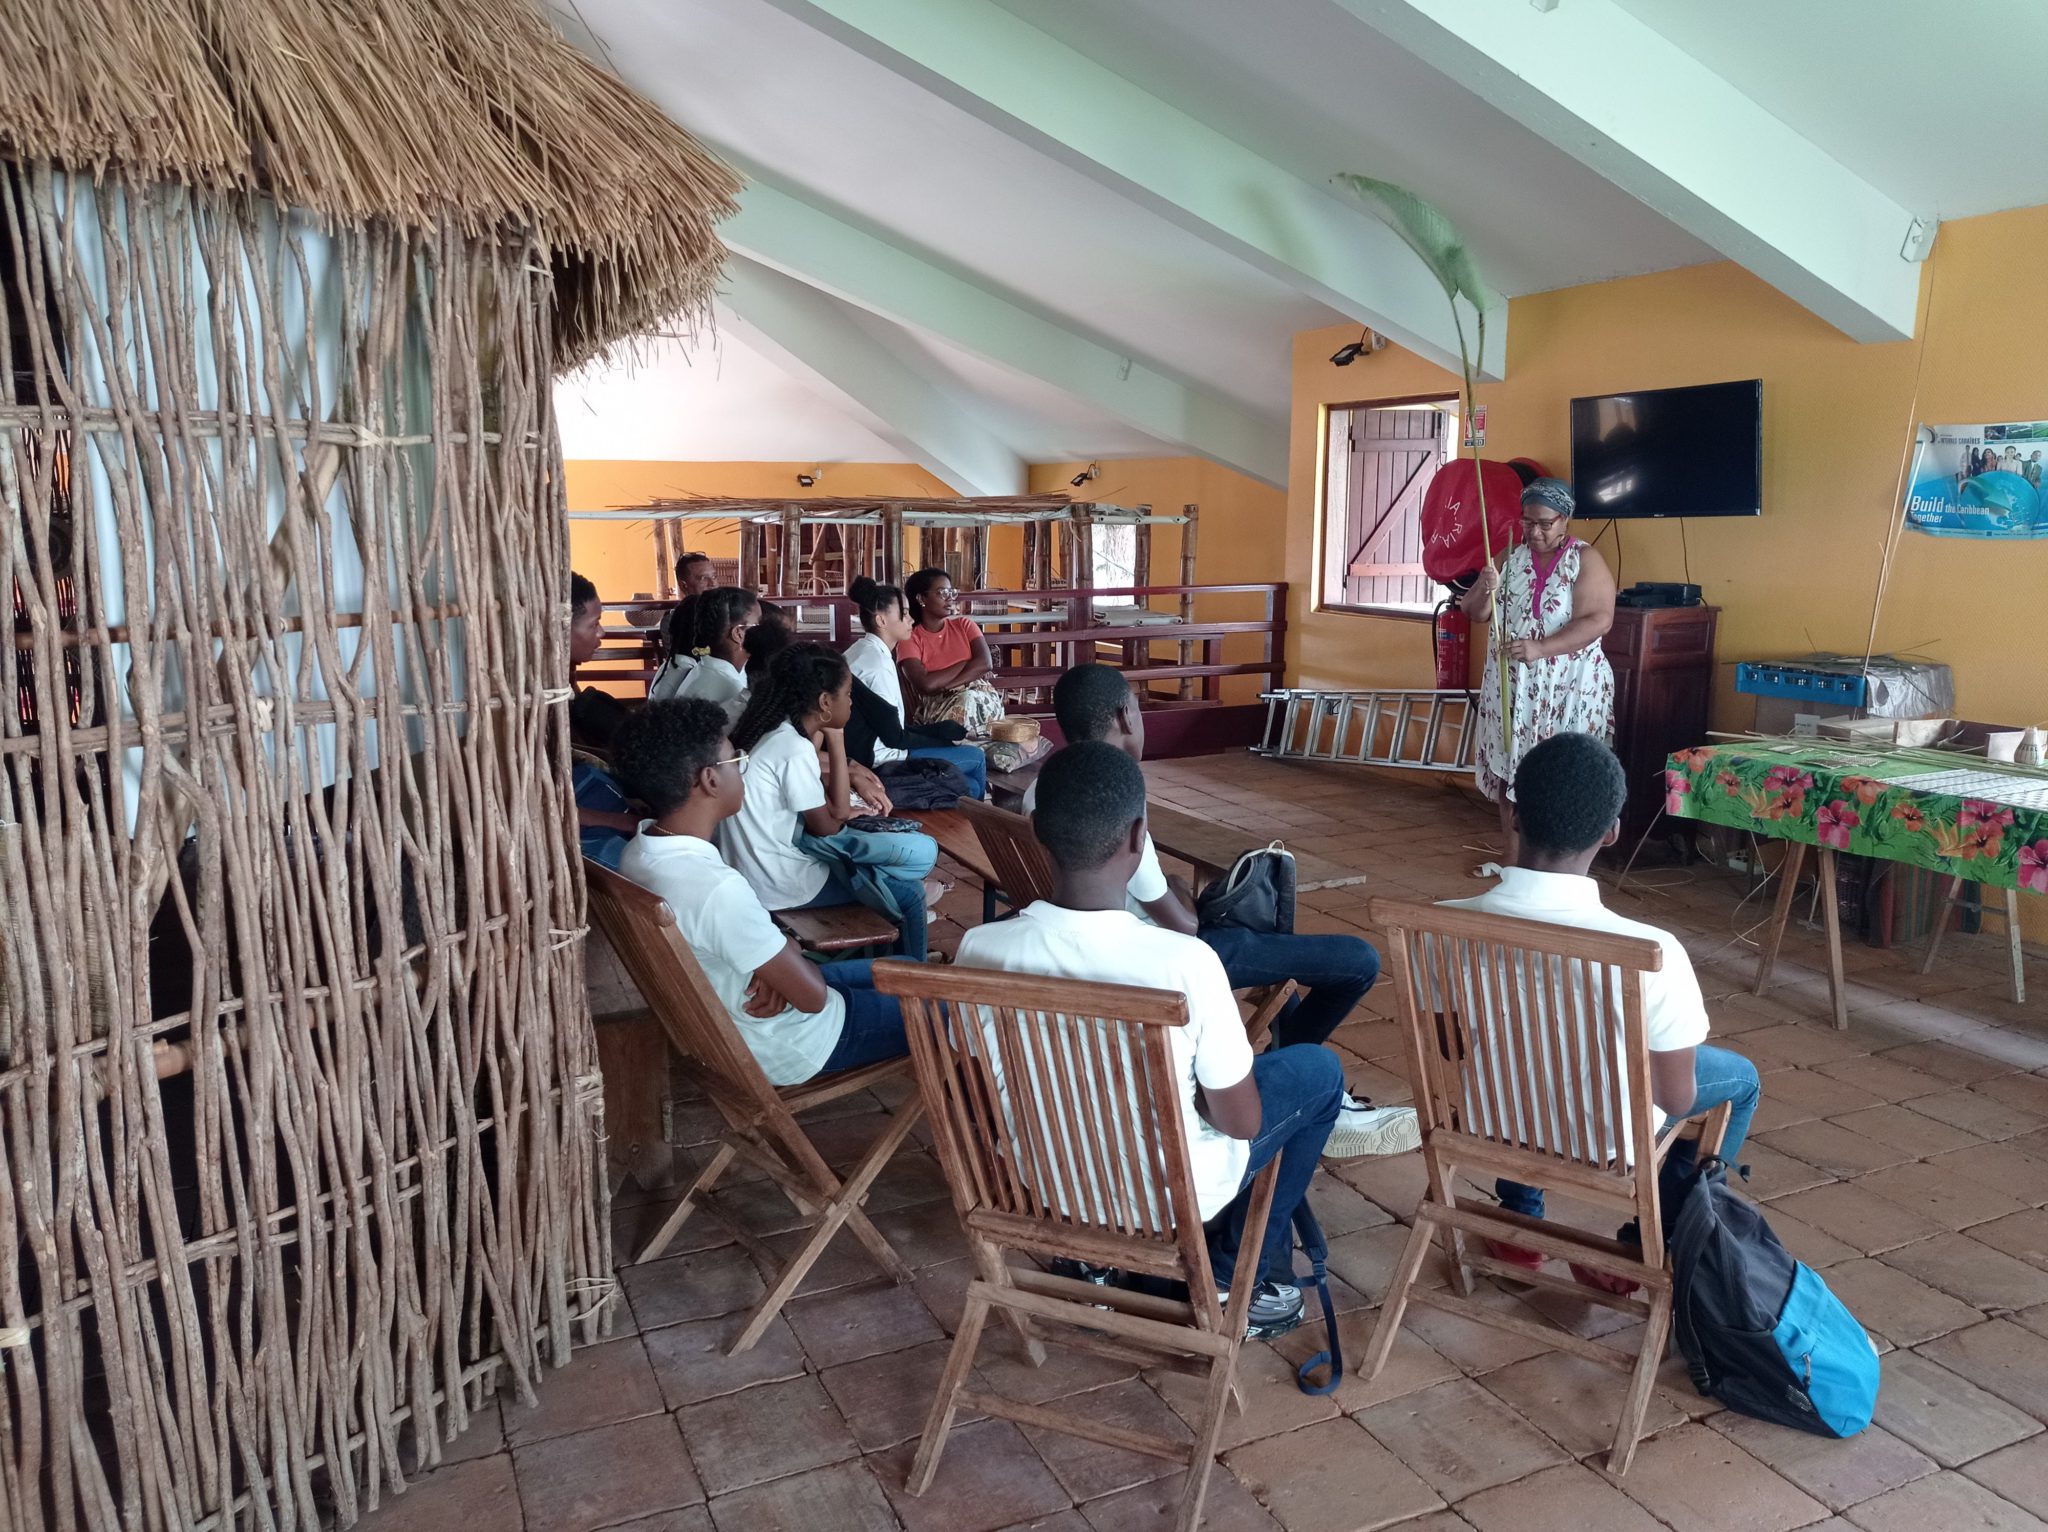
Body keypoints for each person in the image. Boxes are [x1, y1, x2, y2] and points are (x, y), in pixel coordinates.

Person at [956, 742, 1342, 1338]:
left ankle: (1096, 1259)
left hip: (1049, 1180)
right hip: (1171, 1195)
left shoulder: (979, 948)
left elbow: (980, 1087)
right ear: (1139, 839)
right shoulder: (1185, 962)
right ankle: (1230, 1272)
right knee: (1319, 1073)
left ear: (1036, 834)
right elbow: (1241, 1123)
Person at [1034, 664, 1417, 1158]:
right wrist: (1180, 891)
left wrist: (1173, 889)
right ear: (1126, 715)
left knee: (1271, 954)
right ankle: (1309, 1095)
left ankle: (1303, 1087)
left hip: (1092, 938)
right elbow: (1185, 926)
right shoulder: (1117, 805)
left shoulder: (1048, 790)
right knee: (1357, 960)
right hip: (1165, 948)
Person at [1439, 732, 1761, 1293]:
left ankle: (1519, 1224)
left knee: (1521, 1058)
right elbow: (1675, 1100)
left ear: (1512, 816)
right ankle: (1647, 1244)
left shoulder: (1443, 922)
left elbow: (1450, 1046)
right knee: (1743, 1082)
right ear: (1611, 832)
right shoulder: (1653, 951)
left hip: (1495, 1118)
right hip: (1606, 1141)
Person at [612, 699, 907, 1084]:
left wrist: (778, 963)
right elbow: (813, 998)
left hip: (735, 1017)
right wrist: (786, 956)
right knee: (965, 1009)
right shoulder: (715, 888)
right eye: (736, 760)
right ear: (710, 780)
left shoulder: (640, 852)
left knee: (910, 969)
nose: (742, 768)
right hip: (795, 1040)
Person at [724, 643, 939, 961]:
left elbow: (834, 813)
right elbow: (829, 824)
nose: (851, 702)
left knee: (878, 879)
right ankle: (913, 978)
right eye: (848, 694)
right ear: (825, 702)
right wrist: (837, 741)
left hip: (756, 873)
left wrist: (835, 737)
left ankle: (885, 962)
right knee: (909, 893)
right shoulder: (792, 748)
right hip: (779, 884)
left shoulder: (773, 732)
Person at [1461, 476, 1617, 872]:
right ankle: (1513, 860)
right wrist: (1485, 586)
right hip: (1512, 686)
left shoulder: (1585, 559)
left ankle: (1562, 866)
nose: (1534, 532)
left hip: (1567, 689)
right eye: (1528, 522)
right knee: (1510, 766)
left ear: (1565, 519)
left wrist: (1541, 648)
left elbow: (1599, 620)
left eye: (1545, 523)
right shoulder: (1509, 557)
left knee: (1562, 774)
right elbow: (1474, 612)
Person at [845, 575, 989, 801]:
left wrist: (941, 731)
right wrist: (942, 738)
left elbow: (890, 727)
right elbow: (895, 738)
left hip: (869, 750)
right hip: (881, 760)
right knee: (976, 759)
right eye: (903, 614)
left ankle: (970, 815)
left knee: (969, 784)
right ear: (881, 621)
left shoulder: (862, 650)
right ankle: (977, 821)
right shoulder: (877, 666)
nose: (911, 619)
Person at [567, 572, 639, 866]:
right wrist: (617, 820)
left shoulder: (564, 679)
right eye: (594, 624)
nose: (602, 632)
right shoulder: (529, 699)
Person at [897, 567, 1004, 734]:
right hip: (939, 705)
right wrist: (966, 663)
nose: (950, 599)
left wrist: (947, 685)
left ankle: (967, 743)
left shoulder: (965, 625)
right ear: (921, 598)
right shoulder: (910, 638)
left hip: (981, 695)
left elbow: (985, 663)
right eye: (942, 593)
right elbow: (926, 684)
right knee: (967, 699)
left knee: (970, 698)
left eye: (952, 593)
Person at [659, 586, 758, 716]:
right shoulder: (730, 688)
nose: (767, 630)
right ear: (738, 634)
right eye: (759, 625)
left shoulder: (702, 670)